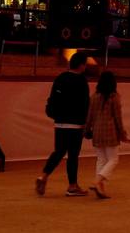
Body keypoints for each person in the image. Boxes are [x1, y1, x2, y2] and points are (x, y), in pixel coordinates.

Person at [36, 51, 91, 197]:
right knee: (73, 155)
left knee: (59, 151)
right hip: (75, 124)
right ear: (81, 65)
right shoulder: (82, 81)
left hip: (59, 123)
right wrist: (86, 123)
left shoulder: (60, 78)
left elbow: (53, 98)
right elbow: (85, 104)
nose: (85, 66)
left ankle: (44, 176)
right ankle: (72, 186)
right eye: (85, 64)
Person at [83, 70, 130, 199]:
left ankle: (100, 188)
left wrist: (86, 130)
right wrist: (123, 134)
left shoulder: (94, 96)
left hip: (97, 132)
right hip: (110, 133)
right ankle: (97, 180)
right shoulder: (114, 97)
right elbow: (117, 118)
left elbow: (89, 116)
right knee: (113, 159)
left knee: (101, 159)